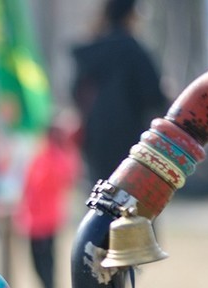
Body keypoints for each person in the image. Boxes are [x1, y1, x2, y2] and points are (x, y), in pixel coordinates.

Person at [70, 0, 168, 186]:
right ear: (130, 15)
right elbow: (153, 95)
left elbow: (76, 92)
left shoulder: (92, 51)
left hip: (95, 138)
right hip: (129, 138)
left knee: (101, 196)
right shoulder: (132, 50)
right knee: (132, 199)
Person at [14, 113, 81, 288]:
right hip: (36, 220)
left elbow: (59, 181)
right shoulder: (43, 156)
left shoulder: (56, 158)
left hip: (46, 221)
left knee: (46, 264)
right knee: (39, 263)